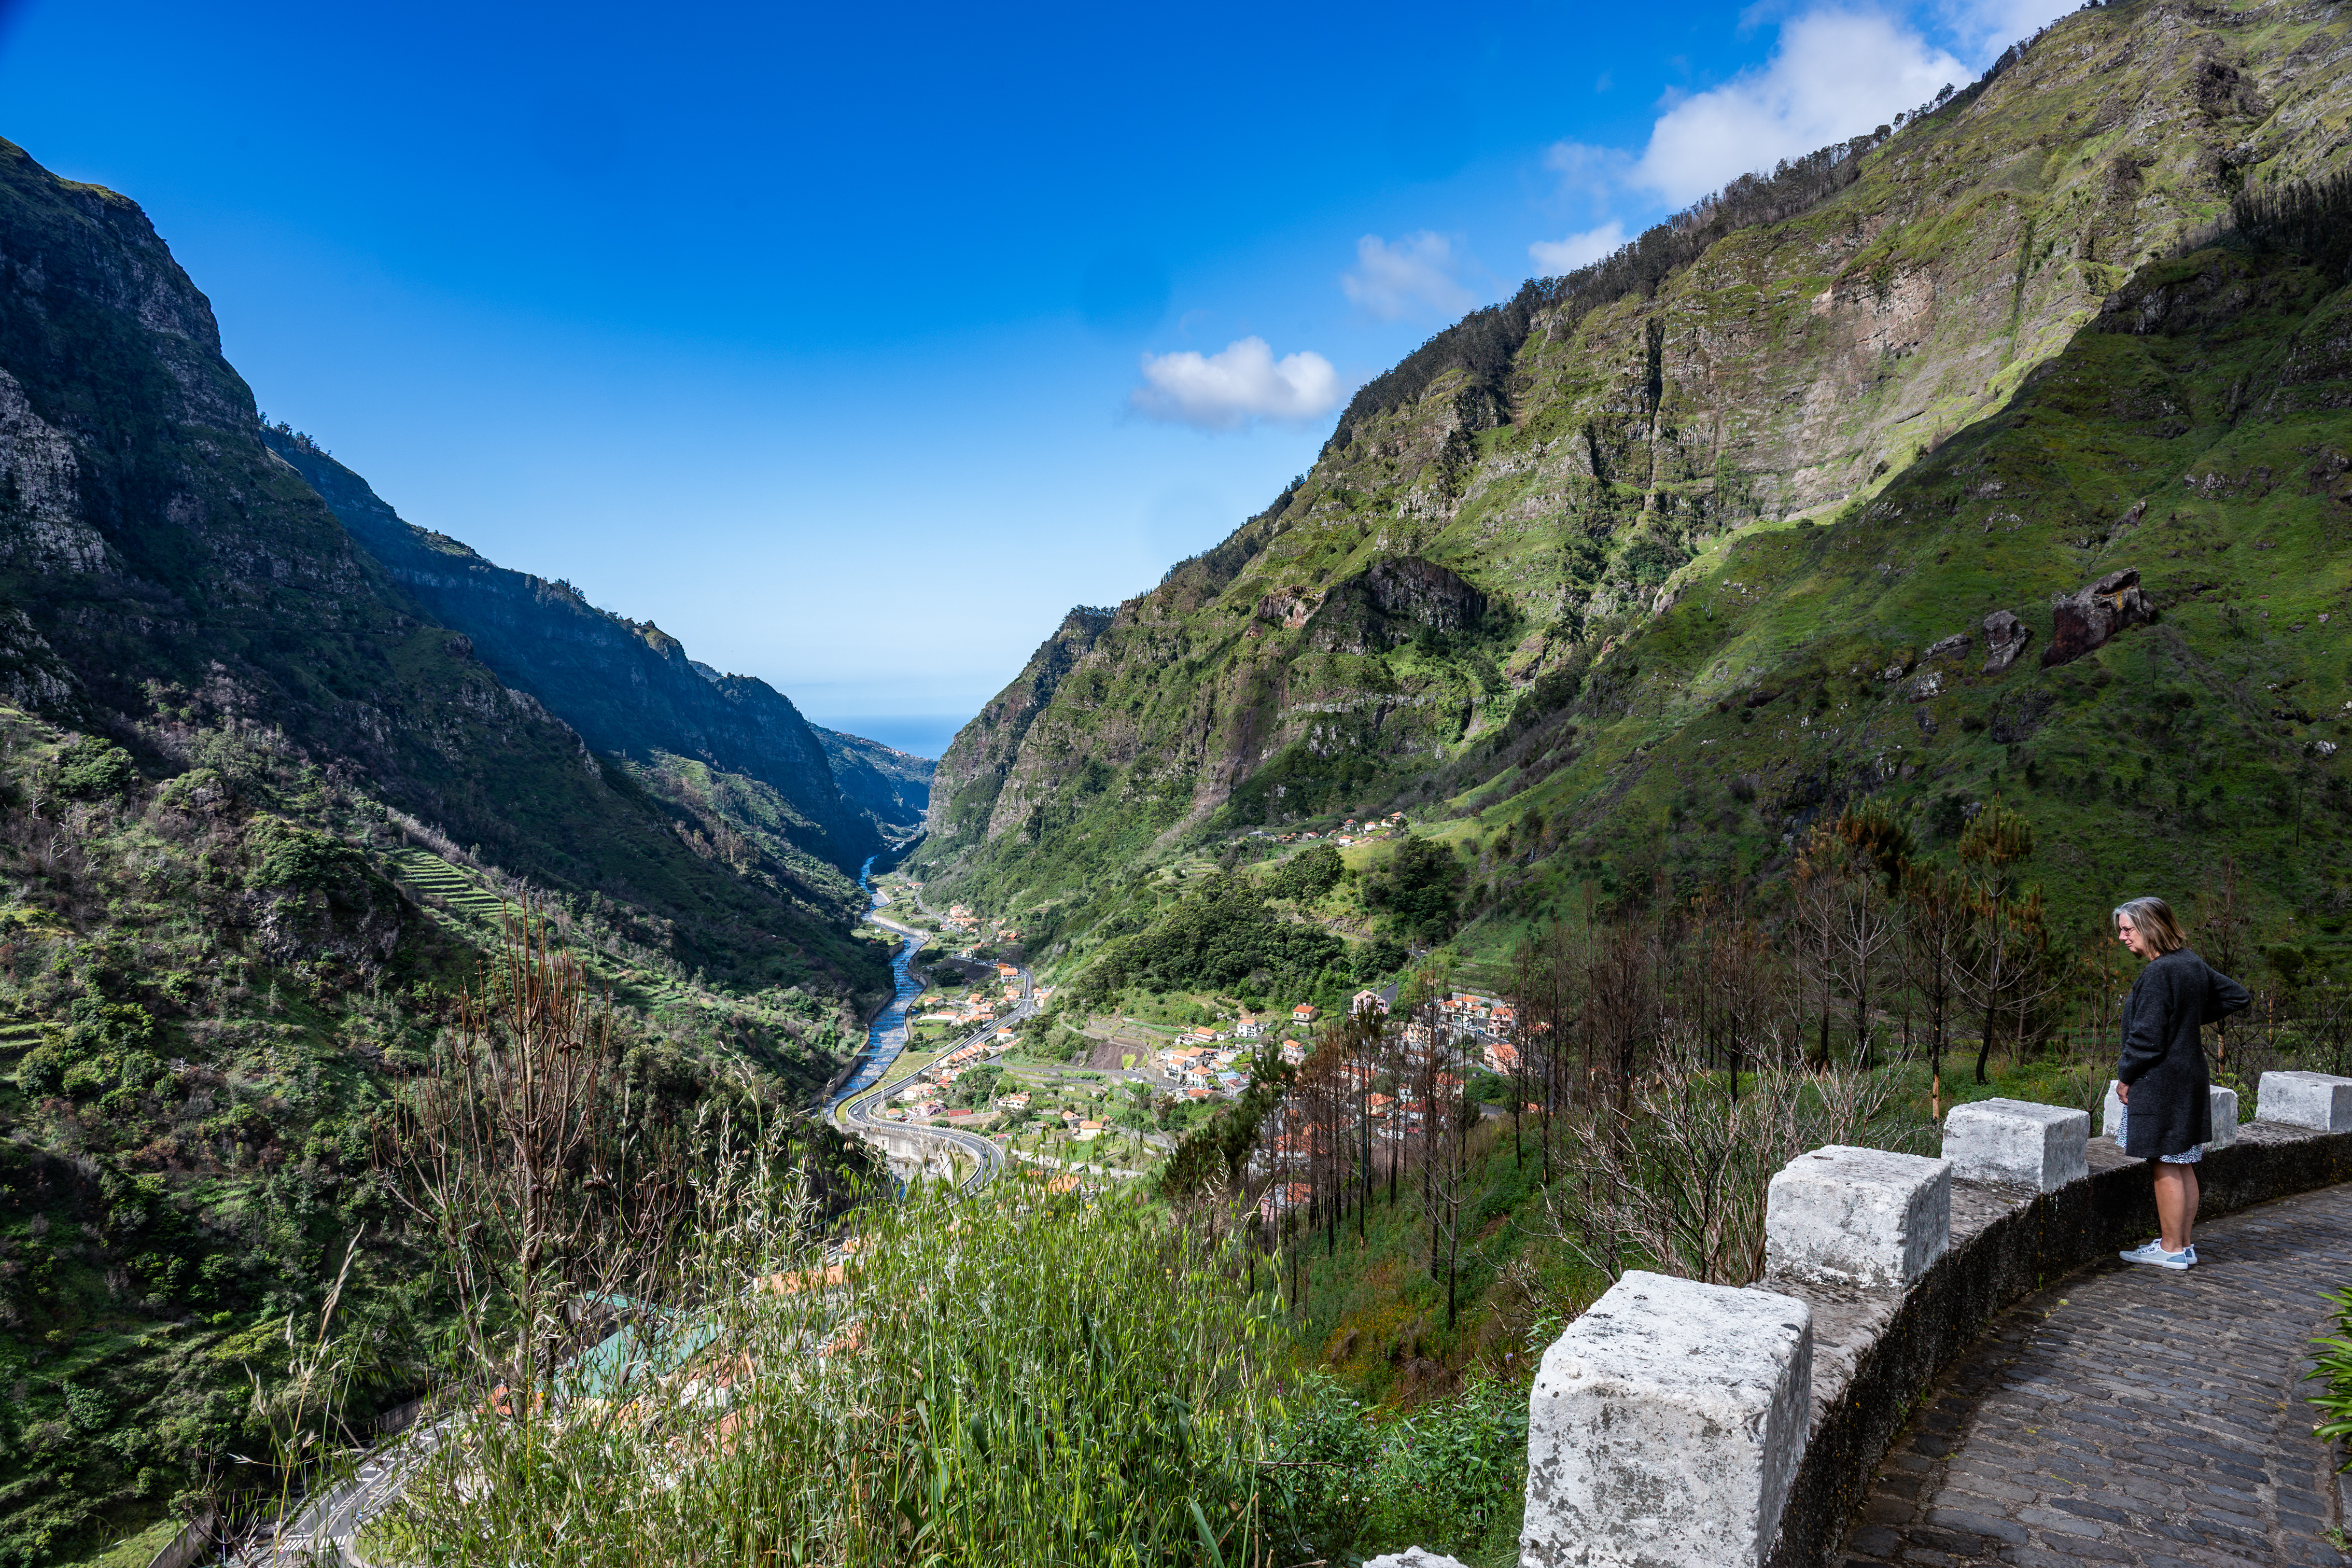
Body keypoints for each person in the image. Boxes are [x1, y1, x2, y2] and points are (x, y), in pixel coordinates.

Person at [2112, 895, 2248, 1270]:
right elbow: (2237, 995)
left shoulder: (2159, 973)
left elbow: (2146, 1039)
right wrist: (2184, 1018)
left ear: (2150, 927)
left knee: (2165, 1163)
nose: (2122, 937)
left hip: (2161, 1080)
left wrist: (2125, 1076)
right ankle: (2183, 1245)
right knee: (2182, 1161)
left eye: (2127, 929)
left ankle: (2171, 1249)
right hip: (2188, 1075)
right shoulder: (2189, 962)